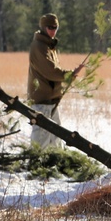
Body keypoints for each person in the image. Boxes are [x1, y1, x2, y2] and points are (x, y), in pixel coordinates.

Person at [26, 13, 83, 149]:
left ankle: (54, 163)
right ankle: (36, 165)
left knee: (55, 137)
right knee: (41, 137)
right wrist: (69, 75)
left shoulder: (50, 46)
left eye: (55, 27)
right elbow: (50, 71)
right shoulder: (39, 46)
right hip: (41, 99)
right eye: (50, 27)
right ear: (43, 28)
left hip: (51, 99)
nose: (53, 30)